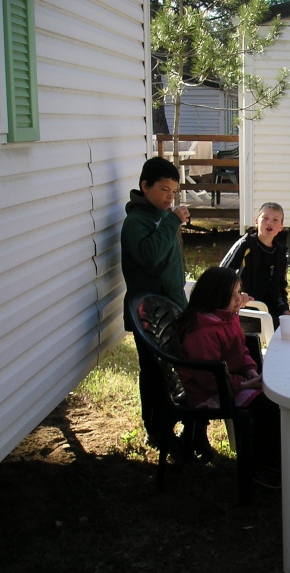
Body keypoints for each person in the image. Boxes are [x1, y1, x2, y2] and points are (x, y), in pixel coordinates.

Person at [175, 267, 281, 477]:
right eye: (233, 295)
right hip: (210, 392)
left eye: (239, 292)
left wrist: (251, 371)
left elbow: (240, 349)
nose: (239, 299)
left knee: (274, 400)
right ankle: (262, 468)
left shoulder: (226, 316)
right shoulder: (202, 331)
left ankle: (273, 459)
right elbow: (209, 379)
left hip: (231, 380)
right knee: (268, 406)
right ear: (215, 296)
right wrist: (248, 385)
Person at [121, 156, 190, 449]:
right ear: (144, 186)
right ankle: (156, 430)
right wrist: (172, 220)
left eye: (173, 191)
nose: (169, 197)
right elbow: (149, 256)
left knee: (176, 370)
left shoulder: (162, 217)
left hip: (172, 305)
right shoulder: (136, 222)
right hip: (147, 312)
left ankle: (179, 425)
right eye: (163, 189)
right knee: (153, 373)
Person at [220, 202, 290, 329]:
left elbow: (281, 288)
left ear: (281, 226)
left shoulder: (280, 253)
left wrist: (285, 311)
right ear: (256, 221)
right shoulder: (245, 245)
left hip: (269, 311)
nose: (269, 223)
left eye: (275, 220)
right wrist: (238, 294)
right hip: (243, 311)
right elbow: (221, 276)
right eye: (265, 218)